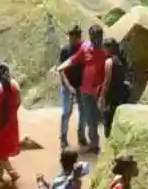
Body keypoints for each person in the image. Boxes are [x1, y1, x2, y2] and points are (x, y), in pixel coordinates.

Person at [55, 24, 110, 153]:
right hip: (83, 89)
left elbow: (109, 70)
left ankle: (90, 141)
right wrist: (61, 68)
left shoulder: (105, 51)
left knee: (94, 117)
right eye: (94, 38)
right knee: (86, 117)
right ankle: (92, 145)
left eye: (98, 37)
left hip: (97, 90)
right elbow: (73, 60)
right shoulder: (84, 48)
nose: (96, 40)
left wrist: (103, 93)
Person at [0, 62, 23, 184]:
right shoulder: (15, 86)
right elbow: (18, 103)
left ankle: (12, 173)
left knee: (1, 151)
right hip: (11, 123)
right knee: (3, 151)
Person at [54, 24, 85, 149]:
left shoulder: (84, 50)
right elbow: (61, 70)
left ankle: (81, 136)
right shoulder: (65, 50)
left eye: (73, 38)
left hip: (81, 85)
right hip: (67, 85)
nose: (71, 40)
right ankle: (63, 138)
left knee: (83, 112)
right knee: (66, 112)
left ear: (78, 38)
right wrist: (69, 86)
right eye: (70, 37)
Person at [100, 39, 130, 134]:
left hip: (112, 97)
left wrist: (102, 97)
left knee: (108, 123)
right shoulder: (120, 60)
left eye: (104, 48)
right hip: (121, 95)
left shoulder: (109, 62)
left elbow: (107, 81)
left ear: (108, 48)